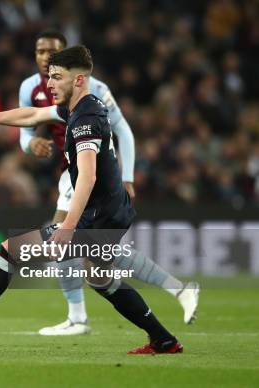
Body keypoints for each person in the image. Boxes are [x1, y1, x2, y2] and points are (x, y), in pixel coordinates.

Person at [0, 46, 183, 354]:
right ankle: (163, 339)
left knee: (8, 252)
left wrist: (67, 226)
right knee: (100, 277)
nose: (50, 84)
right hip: (111, 211)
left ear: (79, 79)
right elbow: (32, 114)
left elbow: (87, 176)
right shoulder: (80, 107)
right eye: (49, 77)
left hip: (97, 217)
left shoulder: (85, 121)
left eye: (56, 77)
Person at [13, 29, 199, 335]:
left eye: (53, 52)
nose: (46, 57)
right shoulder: (31, 88)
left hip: (92, 170)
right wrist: (29, 145)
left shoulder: (93, 88)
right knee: (94, 257)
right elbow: (27, 127)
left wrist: (126, 177)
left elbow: (123, 129)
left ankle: (78, 317)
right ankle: (177, 291)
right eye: (40, 51)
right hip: (70, 172)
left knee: (67, 241)